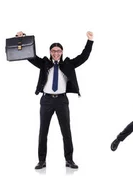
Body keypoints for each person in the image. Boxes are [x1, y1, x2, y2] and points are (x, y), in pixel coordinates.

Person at [15, 31, 94, 170]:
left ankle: (69, 160)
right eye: (53, 51)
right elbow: (30, 55)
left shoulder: (68, 64)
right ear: (50, 52)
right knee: (43, 131)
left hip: (62, 101)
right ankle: (41, 161)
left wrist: (90, 41)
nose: (56, 53)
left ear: (62, 52)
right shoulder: (44, 63)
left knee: (66, 131)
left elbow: (84, 57)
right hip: (46, 101)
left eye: (58, 51)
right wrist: (22, 38)